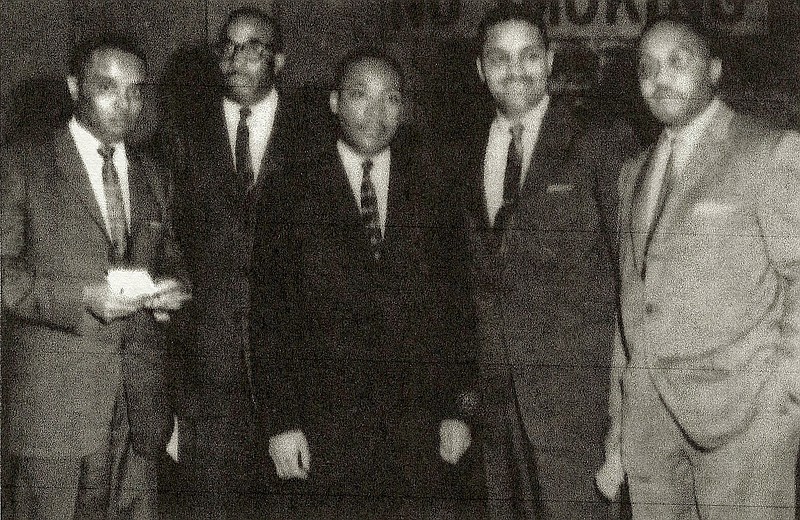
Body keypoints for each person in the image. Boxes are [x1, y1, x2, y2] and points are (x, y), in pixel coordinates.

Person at [250, 47, 480, 519]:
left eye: (390, 98)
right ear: (334, 102)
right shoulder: (289, 191)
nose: (375, 113)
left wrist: (458, 409)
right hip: (323, 430)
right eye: (360, 96)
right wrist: (281, 422)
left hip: (418, 429)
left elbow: (456, 306)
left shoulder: (435, 186)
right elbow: (269, 316)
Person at [595, 14, 800, 520]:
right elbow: (632, 309)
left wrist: (782, 408)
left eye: (676, 62)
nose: (659, 78)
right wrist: (620, 427)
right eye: (647, 68)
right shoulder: (632, 172)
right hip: (650, 428)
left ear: (714, 69)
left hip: (744, 426)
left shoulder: (769, 151)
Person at [456, 4, 637, 519]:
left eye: (529, 56)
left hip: (576, 400)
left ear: (551, 60)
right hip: (495, 398)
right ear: (480, 69)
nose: (516, 71)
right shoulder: (462, 150)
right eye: (499, 58)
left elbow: (630, 274)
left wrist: (621, 416)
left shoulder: (599, 141)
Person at [1, 34, 189, 520]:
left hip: (139, 415)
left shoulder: (153, 174)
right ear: (73, 86)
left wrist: (175, 291)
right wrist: (80, 299)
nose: (124, 102)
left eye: (135, 90)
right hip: (53, 414)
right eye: (107, 86)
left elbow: (172, 259)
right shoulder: (20, 163)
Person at [157, 7, 302, 518]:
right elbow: (165, 245)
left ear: (279, 59)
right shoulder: (181, 134)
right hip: (205, 377)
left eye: (254, 46)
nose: (237, 59)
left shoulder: (315, 133)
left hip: (297, 375)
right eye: (229, 46)